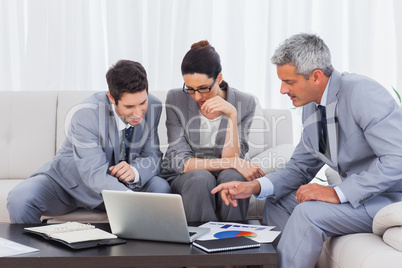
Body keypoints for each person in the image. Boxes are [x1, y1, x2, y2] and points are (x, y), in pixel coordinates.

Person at [212, 33, 402, 268]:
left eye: (289, 82)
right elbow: (301, 166)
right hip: (358, 198)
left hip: (388, 199)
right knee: (278, 200)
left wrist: (337, 193)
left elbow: (397, 158)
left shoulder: (362, 93)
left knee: (308, 213)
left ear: (316, 76)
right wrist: (255, 187)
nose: (282, 90)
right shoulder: (311, 105)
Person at [7, 59, 171, 224]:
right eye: (129, 107)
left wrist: (135, 171)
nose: (138, 112)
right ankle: (38, 249)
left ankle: (145, 249)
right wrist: (131, 201)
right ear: (111, 98)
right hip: (69, 186)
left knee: (160, 188)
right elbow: (93, 173)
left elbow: (153, 156)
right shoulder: (87, 113)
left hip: (117, 187)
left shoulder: (153, 106)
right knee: (19, 199)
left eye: (142, 102)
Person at [161, 40, 264, 222]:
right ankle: (199, 243)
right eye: (190, 89)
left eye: (203, 88)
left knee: (233, 176)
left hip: (225, 174)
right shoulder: (175, 99)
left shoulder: (245, 102)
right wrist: (231, 162)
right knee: (201, 178)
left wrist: (232, 114)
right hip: (188, 178)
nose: (197, 96)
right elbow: (181, 162)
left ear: (219, 78)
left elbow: (233, 157)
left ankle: (233, 244)